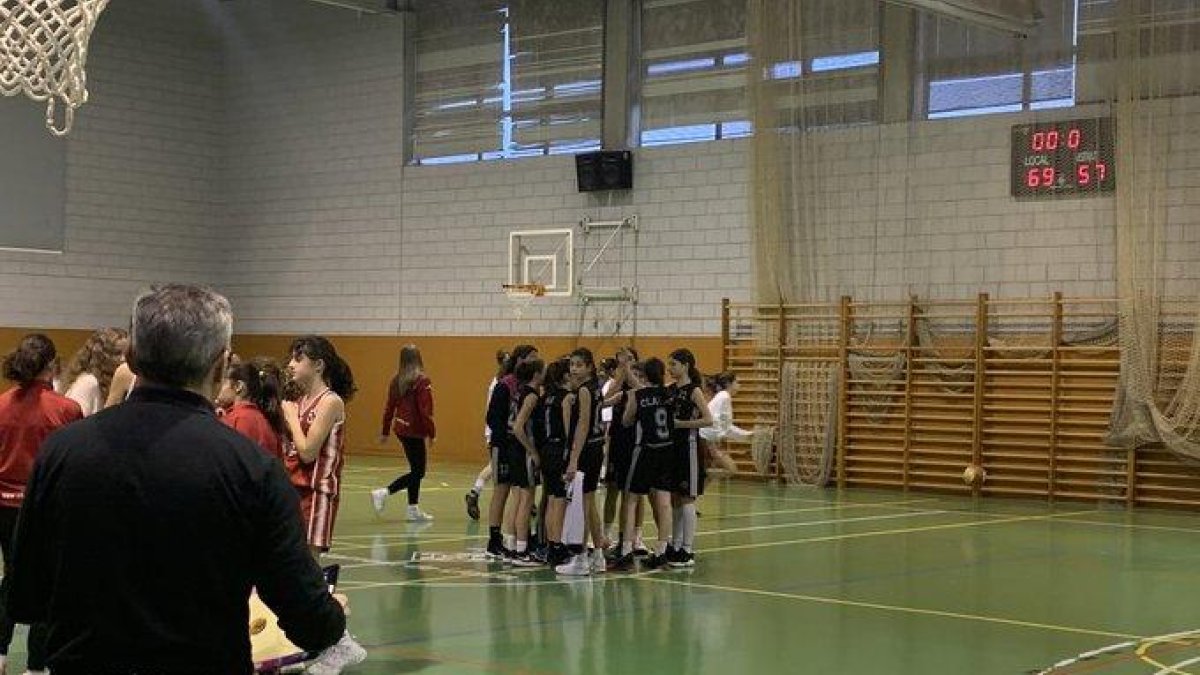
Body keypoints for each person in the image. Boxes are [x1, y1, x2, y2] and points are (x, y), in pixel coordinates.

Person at [5, 285, 348, 675]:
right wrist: (332, 613)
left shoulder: (61, 452)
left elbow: (26, 598)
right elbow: (308, 620)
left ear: (131, 359)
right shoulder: (252, 469)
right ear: (220, 366)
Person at [0, 334, 82, 675]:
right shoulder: (66, 409)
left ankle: (0, 653)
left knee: (10, 578)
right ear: (52, 366)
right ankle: (37, 665)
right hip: (45, 507)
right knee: (49, 582)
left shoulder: (2, 404)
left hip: (3, 507)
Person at [610, 358, 673, 571]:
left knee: (630, 500)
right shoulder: (669, 394)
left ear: (644, 375)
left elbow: (627, 420)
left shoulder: (638, 395)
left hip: (644, 450)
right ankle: (662, 551)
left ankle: (626, 550)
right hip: (666, 450)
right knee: (664, 503)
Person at [555, 348, 607, 576]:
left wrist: (574, 459)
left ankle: (581, 558)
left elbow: (583, 424)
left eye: (579, 365)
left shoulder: (585, 391)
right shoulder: (595, 388)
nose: (574, 369)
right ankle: (598, 556)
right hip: (596, 447)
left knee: (582, 506)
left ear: (589, 367)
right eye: (572, 364)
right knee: (590, 503)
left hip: (586, 450)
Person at [372, 344, 436, 522]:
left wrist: (385, 431)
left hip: (401, 428)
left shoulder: (396, 380)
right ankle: (384, 492)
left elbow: (389, 408)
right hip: (415, 431)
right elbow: (425, 411)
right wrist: (432, 433)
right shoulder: (422, 381)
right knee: (419, 472)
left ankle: (412, 508)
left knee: (415, 469)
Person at [663, 348, 714, 569]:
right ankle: (675, 545)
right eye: (668, 364)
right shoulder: (670, 390)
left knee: (687, 498)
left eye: (673, 364)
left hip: (689, 448)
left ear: (685, 366)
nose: (670, 368)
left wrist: (682, 425)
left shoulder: (694, 391)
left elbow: (708, 420)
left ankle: (687, 548)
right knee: (674, 498)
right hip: (672, 448)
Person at [464, 350, 508, 521]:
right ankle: (474, 492)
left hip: (494, 430)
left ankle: (475, 492)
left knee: (499, 467)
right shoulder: (501, 384)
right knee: (496, 467)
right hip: (496, 431)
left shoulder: (498, 382)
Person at [218, 357, 287, 461]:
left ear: (238, 386)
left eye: (224, 382)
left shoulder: (241, 419)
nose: (219, 386)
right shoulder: (260, 419)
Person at [57, 327, 127, 416]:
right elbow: (76, 422)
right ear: (103, 356)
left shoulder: (103, 382)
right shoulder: (88, 383)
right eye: (118, 353)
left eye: (126, 354)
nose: (123, 359)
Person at [700, 371, 748, 474]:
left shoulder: (722, 396)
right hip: (708, 439)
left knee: (730, 470)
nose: (739, 385)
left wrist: (746, 435)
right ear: (728, 384)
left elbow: (725, 425)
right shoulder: (724, 396)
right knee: (731, 470)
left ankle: (701, 475)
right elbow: (718, 422)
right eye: (737, 382)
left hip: (708, 438)